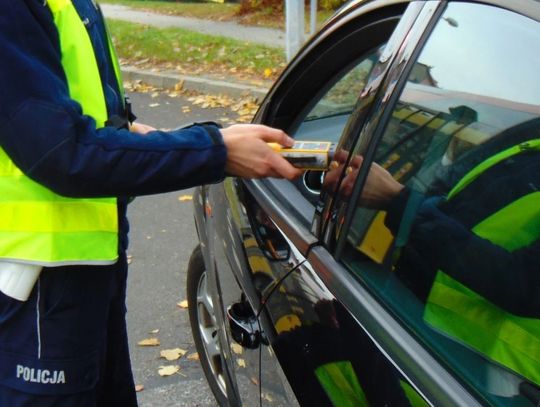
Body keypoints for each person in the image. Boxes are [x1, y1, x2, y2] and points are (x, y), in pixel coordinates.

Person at [0, 1, 301, 404]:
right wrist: (214, 151)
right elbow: (61, 153)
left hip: (84, 275)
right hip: (34, 284)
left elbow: (77, 122)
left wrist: (148, 138)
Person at [330, 119, 540, 395]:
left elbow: (524, 284)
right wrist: (411, 206)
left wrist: (400, 202)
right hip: (417, 324)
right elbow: (455, 194)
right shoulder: (531, 131)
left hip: (494, 378)